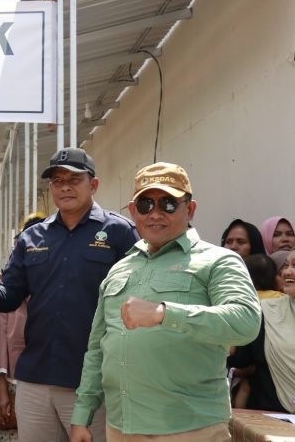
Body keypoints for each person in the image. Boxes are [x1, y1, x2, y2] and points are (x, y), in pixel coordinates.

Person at [70, 162, 261, 441]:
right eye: (146, 204)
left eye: (168, 204)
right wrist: (82, 416)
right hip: (121, 428)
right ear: (133, 211)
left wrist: (164, 313)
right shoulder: (120, 268)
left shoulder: (219, 260)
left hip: (190, 429)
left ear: (190, 209)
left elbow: (245, 322)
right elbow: (98, 348)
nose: (156, 214)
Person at [0, 147, 137, 442]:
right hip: (36, 380)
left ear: (94, 184)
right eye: (57, 180)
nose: (64, 186)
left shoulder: (119, 232)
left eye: (74, 179)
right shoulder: (32, 237)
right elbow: (9, 297)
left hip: (92, 383)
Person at [0, 212, 45, 442]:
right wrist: (3, 387)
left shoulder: (56, 284)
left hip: (53, 381)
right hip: (17, 380)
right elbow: (3, 339)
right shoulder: (10, 284)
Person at [229, 252, 295, 413]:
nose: (287, 272)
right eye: (286, 265)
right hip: (275, 416)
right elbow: (241, 359)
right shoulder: (266, 311)